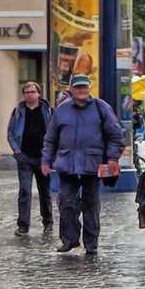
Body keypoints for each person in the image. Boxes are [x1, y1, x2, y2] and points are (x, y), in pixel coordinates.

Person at [41, 74, 124, 254]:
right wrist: (46, 160)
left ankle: (91, 242)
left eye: (84, 87)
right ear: (71, 90)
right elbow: (51, 139)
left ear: (89, 88)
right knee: (67, 203)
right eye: (78, 88)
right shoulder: (62, 110)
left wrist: (112, 158)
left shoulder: (102, 108)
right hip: (67, 164)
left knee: (91, 204)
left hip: (92, 165)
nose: (82, 91)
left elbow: (115, 136)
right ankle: (70, 240)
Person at [8, 81, 54, 235]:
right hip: (25, 157)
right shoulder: (18, 111)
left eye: (32, 92)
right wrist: (17, 152)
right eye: (27, 92)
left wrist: (51, 153)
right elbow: (11, 133)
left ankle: (48, 221)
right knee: (24, 191)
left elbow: (54, 132)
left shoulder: (48, 111)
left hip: (43, 157)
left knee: (45, 191)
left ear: (38, 93)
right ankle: (23, 224)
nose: (30, 94)